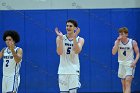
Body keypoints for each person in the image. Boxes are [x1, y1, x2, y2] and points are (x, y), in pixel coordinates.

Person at [55, 19, 84, 93]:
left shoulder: (80, 39)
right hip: (62, 71)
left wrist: (74, 37)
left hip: (73, 70)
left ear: (75, 28)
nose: (68, 27)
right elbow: (59, 52)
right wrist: (61, 39)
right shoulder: (60, 38)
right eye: (67, 26)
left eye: (70, 26)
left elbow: (77, 51)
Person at [112, 27, 139, 93]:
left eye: (122, 34)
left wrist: (135, 62)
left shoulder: (132, 42)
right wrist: (117, 42)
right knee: (123, 84)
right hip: (121, 63)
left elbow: (138, 53)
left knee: (127, 83)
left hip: (130, 64)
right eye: (119, 34)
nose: (120, 36)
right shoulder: (117, 42)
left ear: (126, 34)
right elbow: (113, 52)